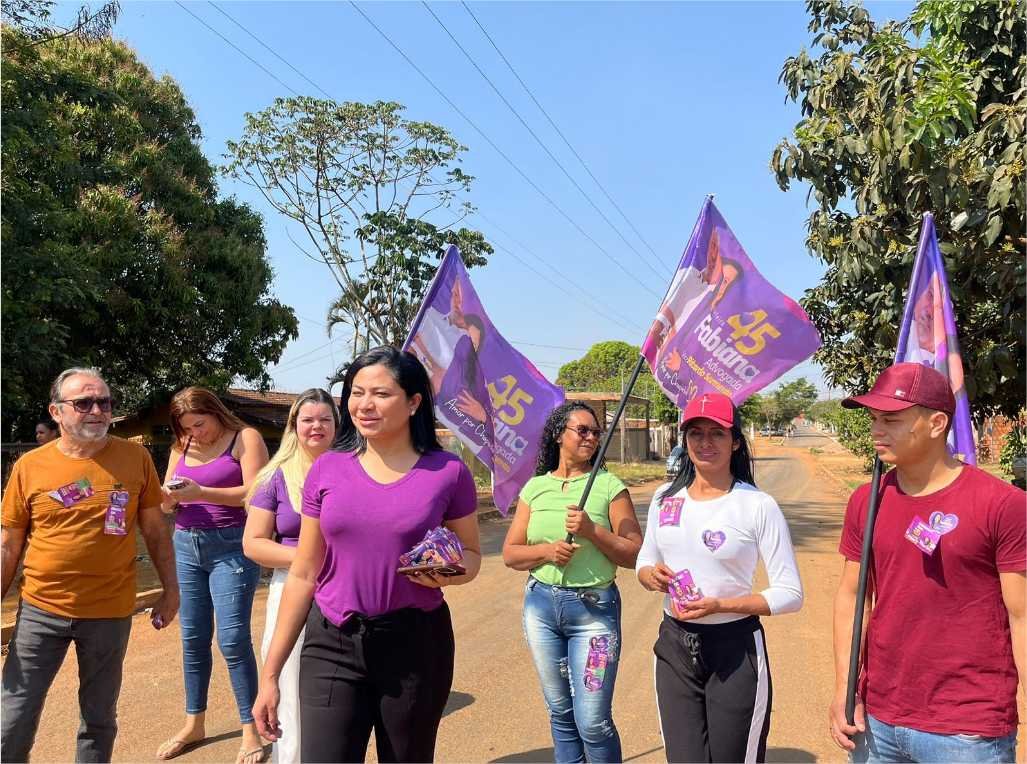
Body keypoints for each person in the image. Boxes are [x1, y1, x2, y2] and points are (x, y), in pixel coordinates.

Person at [252, 346, 482, 763]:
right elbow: (305, 572)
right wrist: (269, 675)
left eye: (381, 394)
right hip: (332, 643)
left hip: (415, 644)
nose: (364, 405)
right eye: (356, 393)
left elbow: (471, 553)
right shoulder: (328, 468)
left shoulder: (448, 472)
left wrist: (452, 569)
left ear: (414, 402)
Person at [828, 363, 1025, 763]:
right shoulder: (867, 502)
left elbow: (1021, 615)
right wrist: (843, 691)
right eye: (873, 419)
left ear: (937, 423)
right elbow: (852, 598)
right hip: (877, 723)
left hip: (967, 730)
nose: (876, 430)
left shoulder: (1002, 505)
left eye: (892, 419)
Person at [1, 367, 178, 762]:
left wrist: (171, 590)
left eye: (105, 402)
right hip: (40, 610)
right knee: (13, 716)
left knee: (98, 719)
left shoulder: (135, 458)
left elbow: (155, 530)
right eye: (84, 403)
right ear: (57, 411)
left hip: (109, 612)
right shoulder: (30, 467)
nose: (97, 410)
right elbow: (9, 546)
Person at [636, 392, 803, 763]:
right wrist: (650, 575)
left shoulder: (757, 506)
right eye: (696, 433)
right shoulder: (665, 498)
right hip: (675, 648)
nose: (705, 443)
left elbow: (791, 593)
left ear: (736, 441)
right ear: (685, 440)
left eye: (717, 433)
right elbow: (646, 558)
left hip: (734, 649)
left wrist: (721, 604)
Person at [502, 402, 642, 763]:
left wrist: (592, 531)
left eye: (596, 432)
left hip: (594, 615)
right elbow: (511, 554)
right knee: (561, 713)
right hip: (542, 609)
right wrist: (547, 551)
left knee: (592, 721)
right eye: (583, 430)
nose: (592, 437)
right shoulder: (534, 489)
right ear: (557, 435)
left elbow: (634, 554)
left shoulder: (610, 487)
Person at [157, 387, 270, 764]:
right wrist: (169, 497)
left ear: (215, 413)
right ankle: (195, 723)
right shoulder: (180, 446)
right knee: (192, 638)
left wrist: (201, 490)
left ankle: (251, 727)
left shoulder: (245, 438)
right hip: (186, 544)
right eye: (187, 428)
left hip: (232, 545)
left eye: (200, 424)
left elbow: (255, 493)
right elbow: (167, 498)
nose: (195, 434)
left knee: (234, 639)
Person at [242, 389, 340, 764]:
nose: (316, 426)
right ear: (294, 426)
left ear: (337, 424)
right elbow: (254, 543)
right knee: (289, 689)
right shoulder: (275, 477)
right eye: (308, 419)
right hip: (293, 589)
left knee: (338, 692)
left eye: (325, 419)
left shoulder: (355, 468)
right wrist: (309, 558)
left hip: (344, 591)